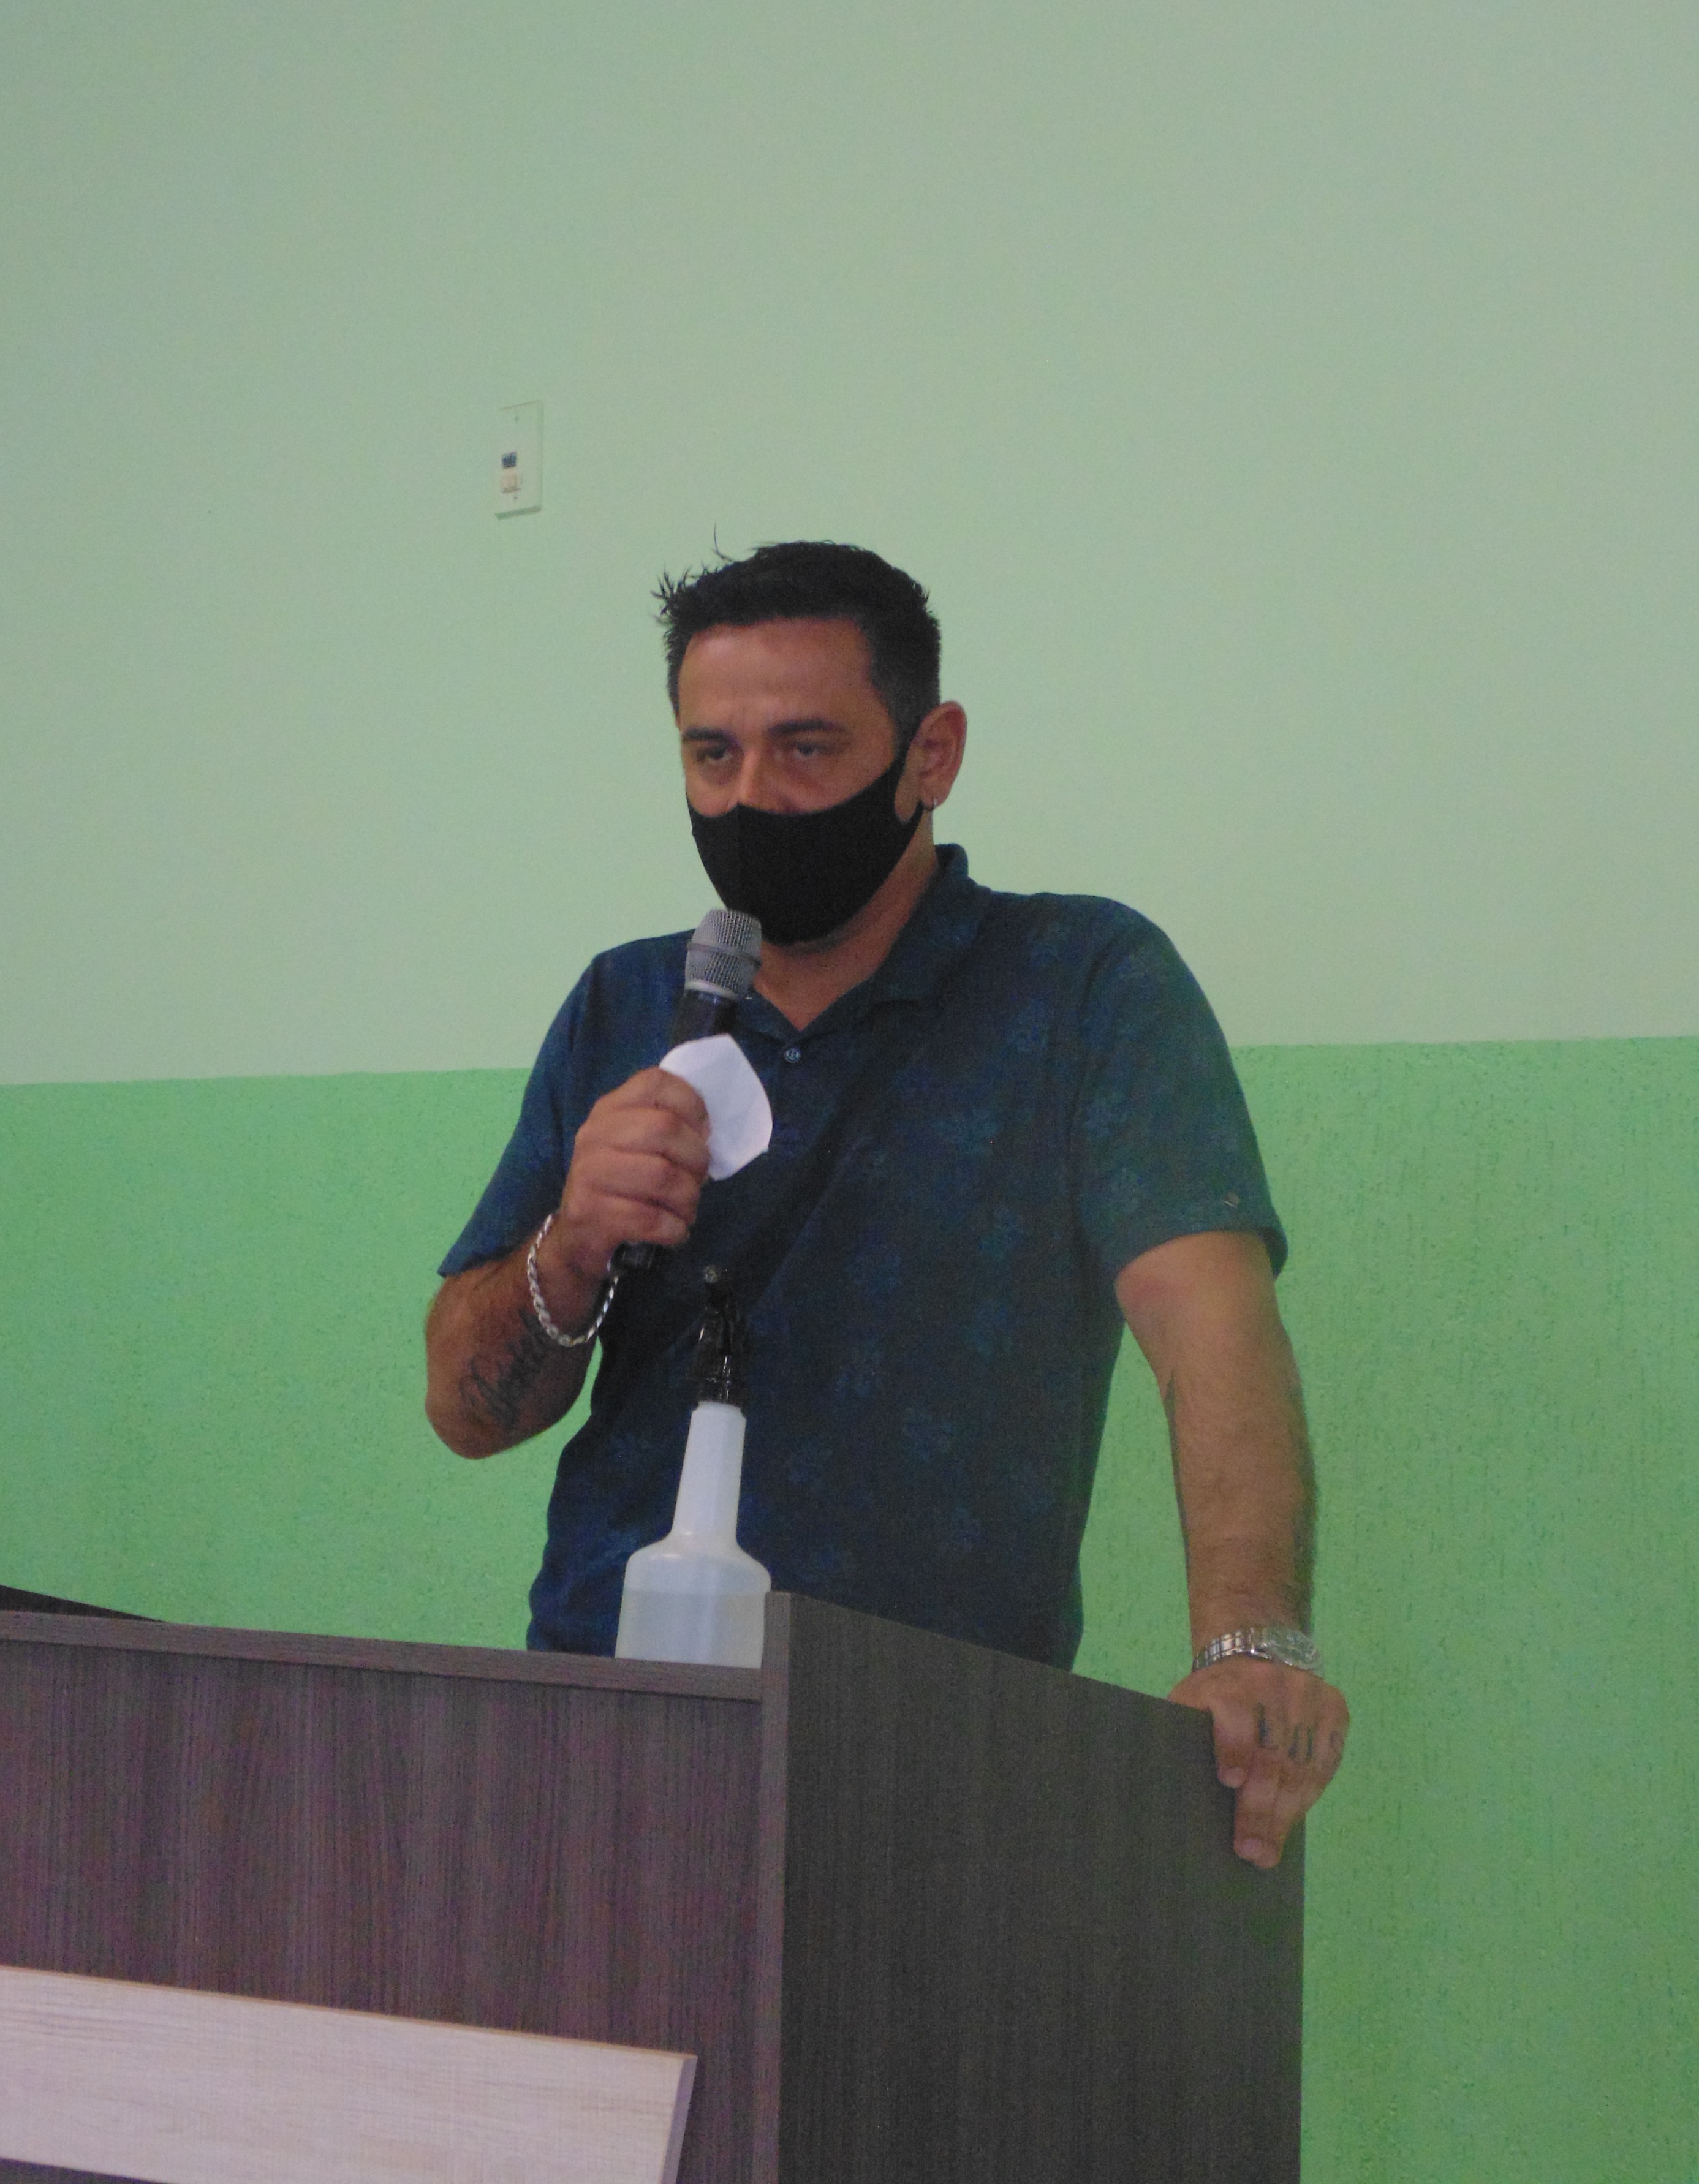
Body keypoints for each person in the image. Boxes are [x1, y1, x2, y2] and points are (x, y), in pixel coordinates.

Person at [426, 542, 1347, 1867]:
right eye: (712, 756)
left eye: (806, 749)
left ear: (932, 754)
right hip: (614, 1731)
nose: (753, 798)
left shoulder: (1082, 986)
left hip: (942, 1760)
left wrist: (1250, 1646)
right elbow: (466, 1412)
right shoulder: (628, 1005)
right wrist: (571, 1246)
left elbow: (1213, 1330)